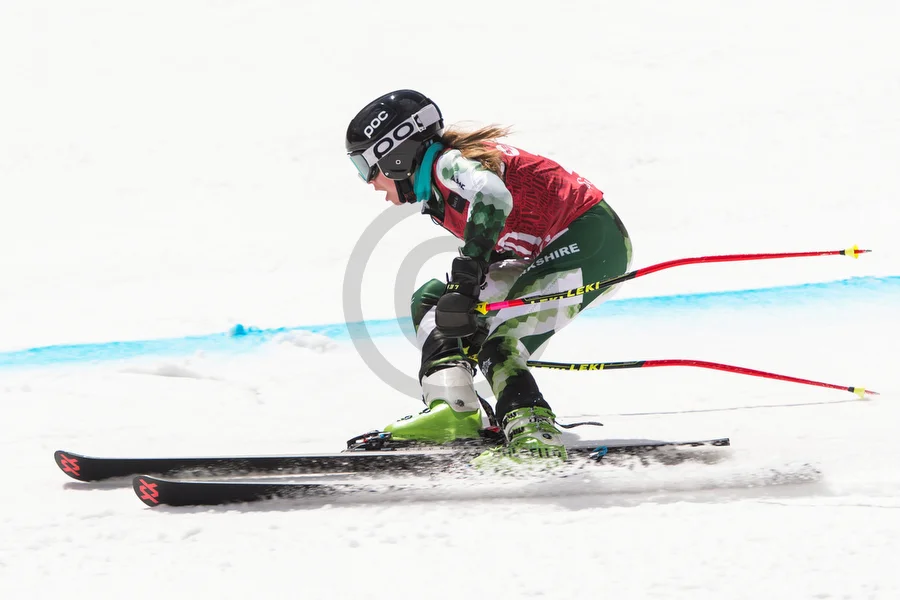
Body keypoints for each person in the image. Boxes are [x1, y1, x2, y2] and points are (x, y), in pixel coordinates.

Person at [345, 90, 632, 462]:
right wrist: (467, 301)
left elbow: (493, 195)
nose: (368, 182)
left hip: (591, 242)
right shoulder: (439, 191)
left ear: (395, 154)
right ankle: (454, 409)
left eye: (366, 167)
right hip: (548, 251)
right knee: (434, 301)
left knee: (501, 342)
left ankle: (533, 431)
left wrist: (468, 280)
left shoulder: (449, 165)